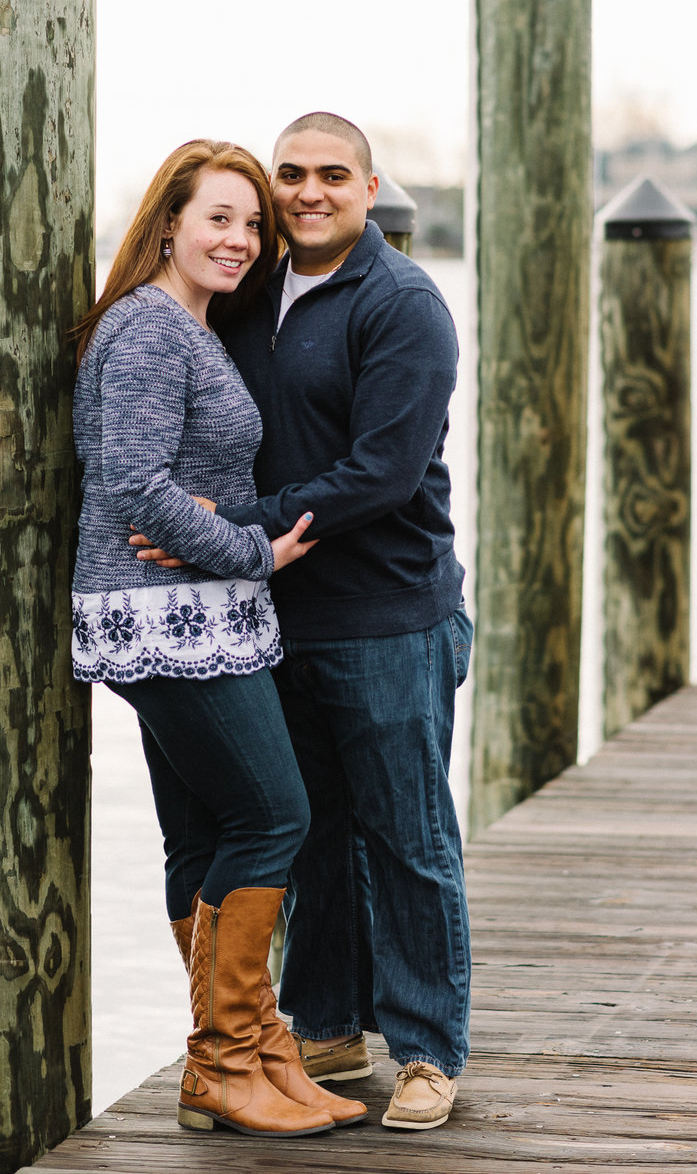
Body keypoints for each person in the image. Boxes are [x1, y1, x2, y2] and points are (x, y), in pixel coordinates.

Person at [138, 112, 472, 1131]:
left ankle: (424, 1049)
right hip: (270, 613)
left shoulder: (404, 305)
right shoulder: (246, 297)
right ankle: (324, 1022)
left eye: (334, 174)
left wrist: (223, 525)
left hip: (387, 614)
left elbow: (380, 475)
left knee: (405, 833)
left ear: (371, 190)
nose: (310, 190)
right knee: (309, 830)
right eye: (292, 174)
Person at [71, 139, 368, 1139]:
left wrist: (229, 541)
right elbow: (138, 484)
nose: (241, 240)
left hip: (193, 614)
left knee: (204, 834)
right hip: (167, 617)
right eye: (219, 219)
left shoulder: (188, 326)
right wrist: (253, 549)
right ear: (168, 224)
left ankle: (249, 1046)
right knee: (274, 813)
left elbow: (167, 478)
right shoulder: (151, 331)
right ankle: (224, 1058)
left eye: (253, 224)